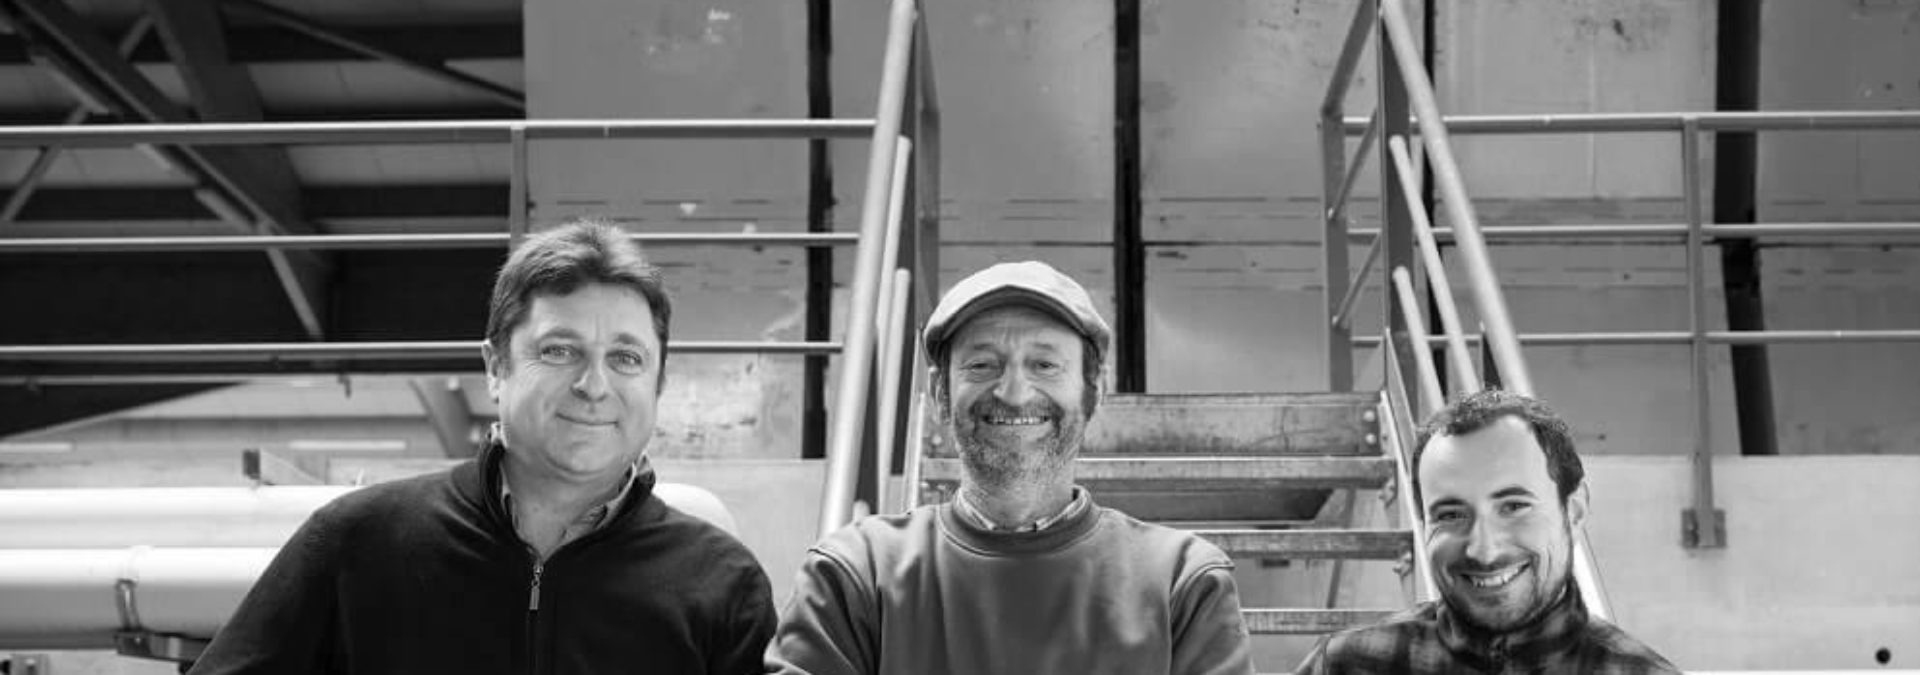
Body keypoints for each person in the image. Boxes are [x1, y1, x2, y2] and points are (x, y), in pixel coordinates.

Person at [190, 219, 777, 674]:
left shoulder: (722, 584)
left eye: (626, 358)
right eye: (559, 350)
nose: (594, 386)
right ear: (496, 367)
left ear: (659, 383)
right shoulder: (357, 543)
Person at [766, 261, 1255, 675]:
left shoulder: (1181, 583)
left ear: (1094, 390)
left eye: (1045, 365)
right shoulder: (857, 575)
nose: (1014, 392)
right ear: (939, 393)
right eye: (982, 365)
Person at [1294, 389, 1679, 674]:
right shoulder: (1345, 667)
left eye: (1513, 507)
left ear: (1574, 511)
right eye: (1451, 514)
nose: (1484, 550)